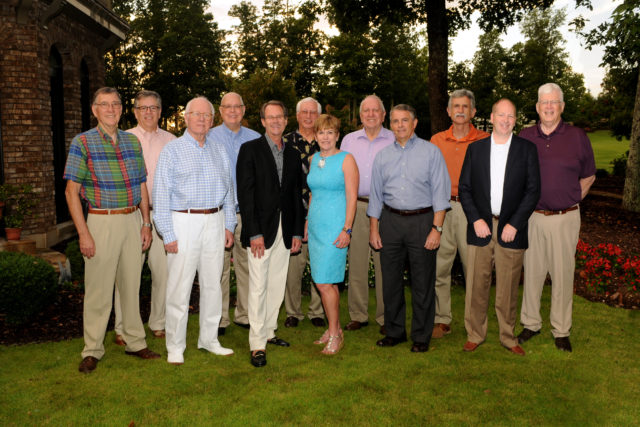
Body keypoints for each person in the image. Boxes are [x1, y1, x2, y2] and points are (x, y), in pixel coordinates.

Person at [64, 87, 160, 374]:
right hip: (101, 221)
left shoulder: (132, 142)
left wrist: (145, 223)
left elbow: (141, 185)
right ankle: (92, 349)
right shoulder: (82, 143)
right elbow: (71, 192)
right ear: (94, 110)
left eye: (115, 104)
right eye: (104, 104)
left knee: (131, 286)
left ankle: (135, 342)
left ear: (121, 109)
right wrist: (83, 233)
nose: (110, 109)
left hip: (132, 220)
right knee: (99, 290)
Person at [153, 97, 236, 365]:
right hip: (183, 222)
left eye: (207, 115)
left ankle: (209, 339)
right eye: (196, 114)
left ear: (213, 120)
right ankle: (175, 346)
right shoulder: (173, 150)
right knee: (180, 287)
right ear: (186, 117)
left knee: (213, 285)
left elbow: (229, 191)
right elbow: (161, 194)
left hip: (215, 219)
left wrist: (229, 225)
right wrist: (168, 233)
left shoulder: (220, 150)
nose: (202, 119)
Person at [518, 83, 596, 352]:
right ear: (538, 107)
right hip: (533, 217)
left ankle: (561, 329)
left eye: (554, 102)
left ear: (561, 106)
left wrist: (573, 198)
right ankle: (531, 323)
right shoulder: (525, 136)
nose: (549, 107)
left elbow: (589, 175)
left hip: (565, 217)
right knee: (533, 272)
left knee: (563, 274)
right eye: (544, 102)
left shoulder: (577, 136)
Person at [458, 98, 540, 356]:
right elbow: (465, 188)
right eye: (501, 115)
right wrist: (476, 219)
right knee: (476, 286)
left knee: (507, 288)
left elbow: (532, 191)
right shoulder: (476, 149)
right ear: (491, 117)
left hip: (510, 230)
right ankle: (475, 333)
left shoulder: (527, 150)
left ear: (515, 120)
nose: (505, 120)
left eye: (511, 116)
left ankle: (507, 336)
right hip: (481, 227)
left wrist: (515, 223)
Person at [368, 104, 451, 353]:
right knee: (390, 280)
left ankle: (421, 336)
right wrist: (374, 229)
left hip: (422, 221)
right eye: (395, 121)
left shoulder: (431, 152)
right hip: (390, 221)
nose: (400, 125)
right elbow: (375, 197)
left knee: (422, 281)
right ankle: (394, 332)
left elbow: (440, 194)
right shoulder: (382, 156)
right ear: (390, 124)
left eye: (405, 120)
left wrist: (437, 229)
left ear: (414, 123)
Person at [237, 100, 305, 368]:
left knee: (277, 283)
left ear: (286, 121)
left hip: (285, 230)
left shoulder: (292, 154)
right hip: (260, 231)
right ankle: (257, 344)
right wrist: (253, 232)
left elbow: (295, 197)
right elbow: (246, 194)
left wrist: (297, 231)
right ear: (262, 121)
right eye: (270, 117)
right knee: (258, 287)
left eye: (280, 117)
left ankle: (269, 331)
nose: (276, 121)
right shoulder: (249, 150)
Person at [112, 90, 176, 346]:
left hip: (163, 214)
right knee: (128, 273)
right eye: (143, 108)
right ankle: (122, 327)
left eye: (153, 108)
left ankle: (158, 322)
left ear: (160, 111)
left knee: (163, 272)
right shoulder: (123, 139)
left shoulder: (172, 140)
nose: (148, 112)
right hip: (132, 214)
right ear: (135, 112)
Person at [430, 89, 490, 339]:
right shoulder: (437, 140)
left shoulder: (485, 139)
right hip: (443, 208)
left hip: (472, 210)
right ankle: (442, 319)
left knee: (474, 270)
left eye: (465, 106)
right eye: (455, 106)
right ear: (448, 111)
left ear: (473, 112)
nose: (460, 110)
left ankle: (474, 324)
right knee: (439, 267)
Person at [340, 95, 394, 334]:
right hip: (358, 205)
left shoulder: (395, 139)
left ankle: (386, 316)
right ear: (360, 116)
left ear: (383, 115)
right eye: (366, 111)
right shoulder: (349, 141)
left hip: (387, 208)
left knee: (386, 264)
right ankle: (358, 315)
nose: (371, 114)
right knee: (358, 263)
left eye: (376, 110)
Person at [208, 92, 260, 335]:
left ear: (244, 109)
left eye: (236, 106)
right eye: (227, 107)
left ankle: (246, 314)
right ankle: (219, 319)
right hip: (219, 213)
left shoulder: (256, 139)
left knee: (247, 266)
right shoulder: (209, 136)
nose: (232, 111)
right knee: (218, 267)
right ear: (220, 111)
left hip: (248, 212)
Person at [306, 114, 359, 354]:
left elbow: (352, 198)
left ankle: (336, 335)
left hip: (336, 228)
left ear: (337, 135)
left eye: (330, 132)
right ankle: (333, 328)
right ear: (315, 136)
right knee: (324, 281)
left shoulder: (346, 160)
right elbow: (312, 194)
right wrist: (307, 221)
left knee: (325, 282)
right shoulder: (313, 158)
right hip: (317, 226)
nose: (325, 137)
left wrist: (347, 229)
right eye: (321, 132)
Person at [282, 97, 325, 329]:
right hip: (293, 211)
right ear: (297, 116)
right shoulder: (285, 141)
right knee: (294, 265)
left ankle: (317, 310)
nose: (308, 116)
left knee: (318, 262)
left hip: (321, 212)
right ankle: (293, 312)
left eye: (313, 113)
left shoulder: (326, 142)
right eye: (304, 112)